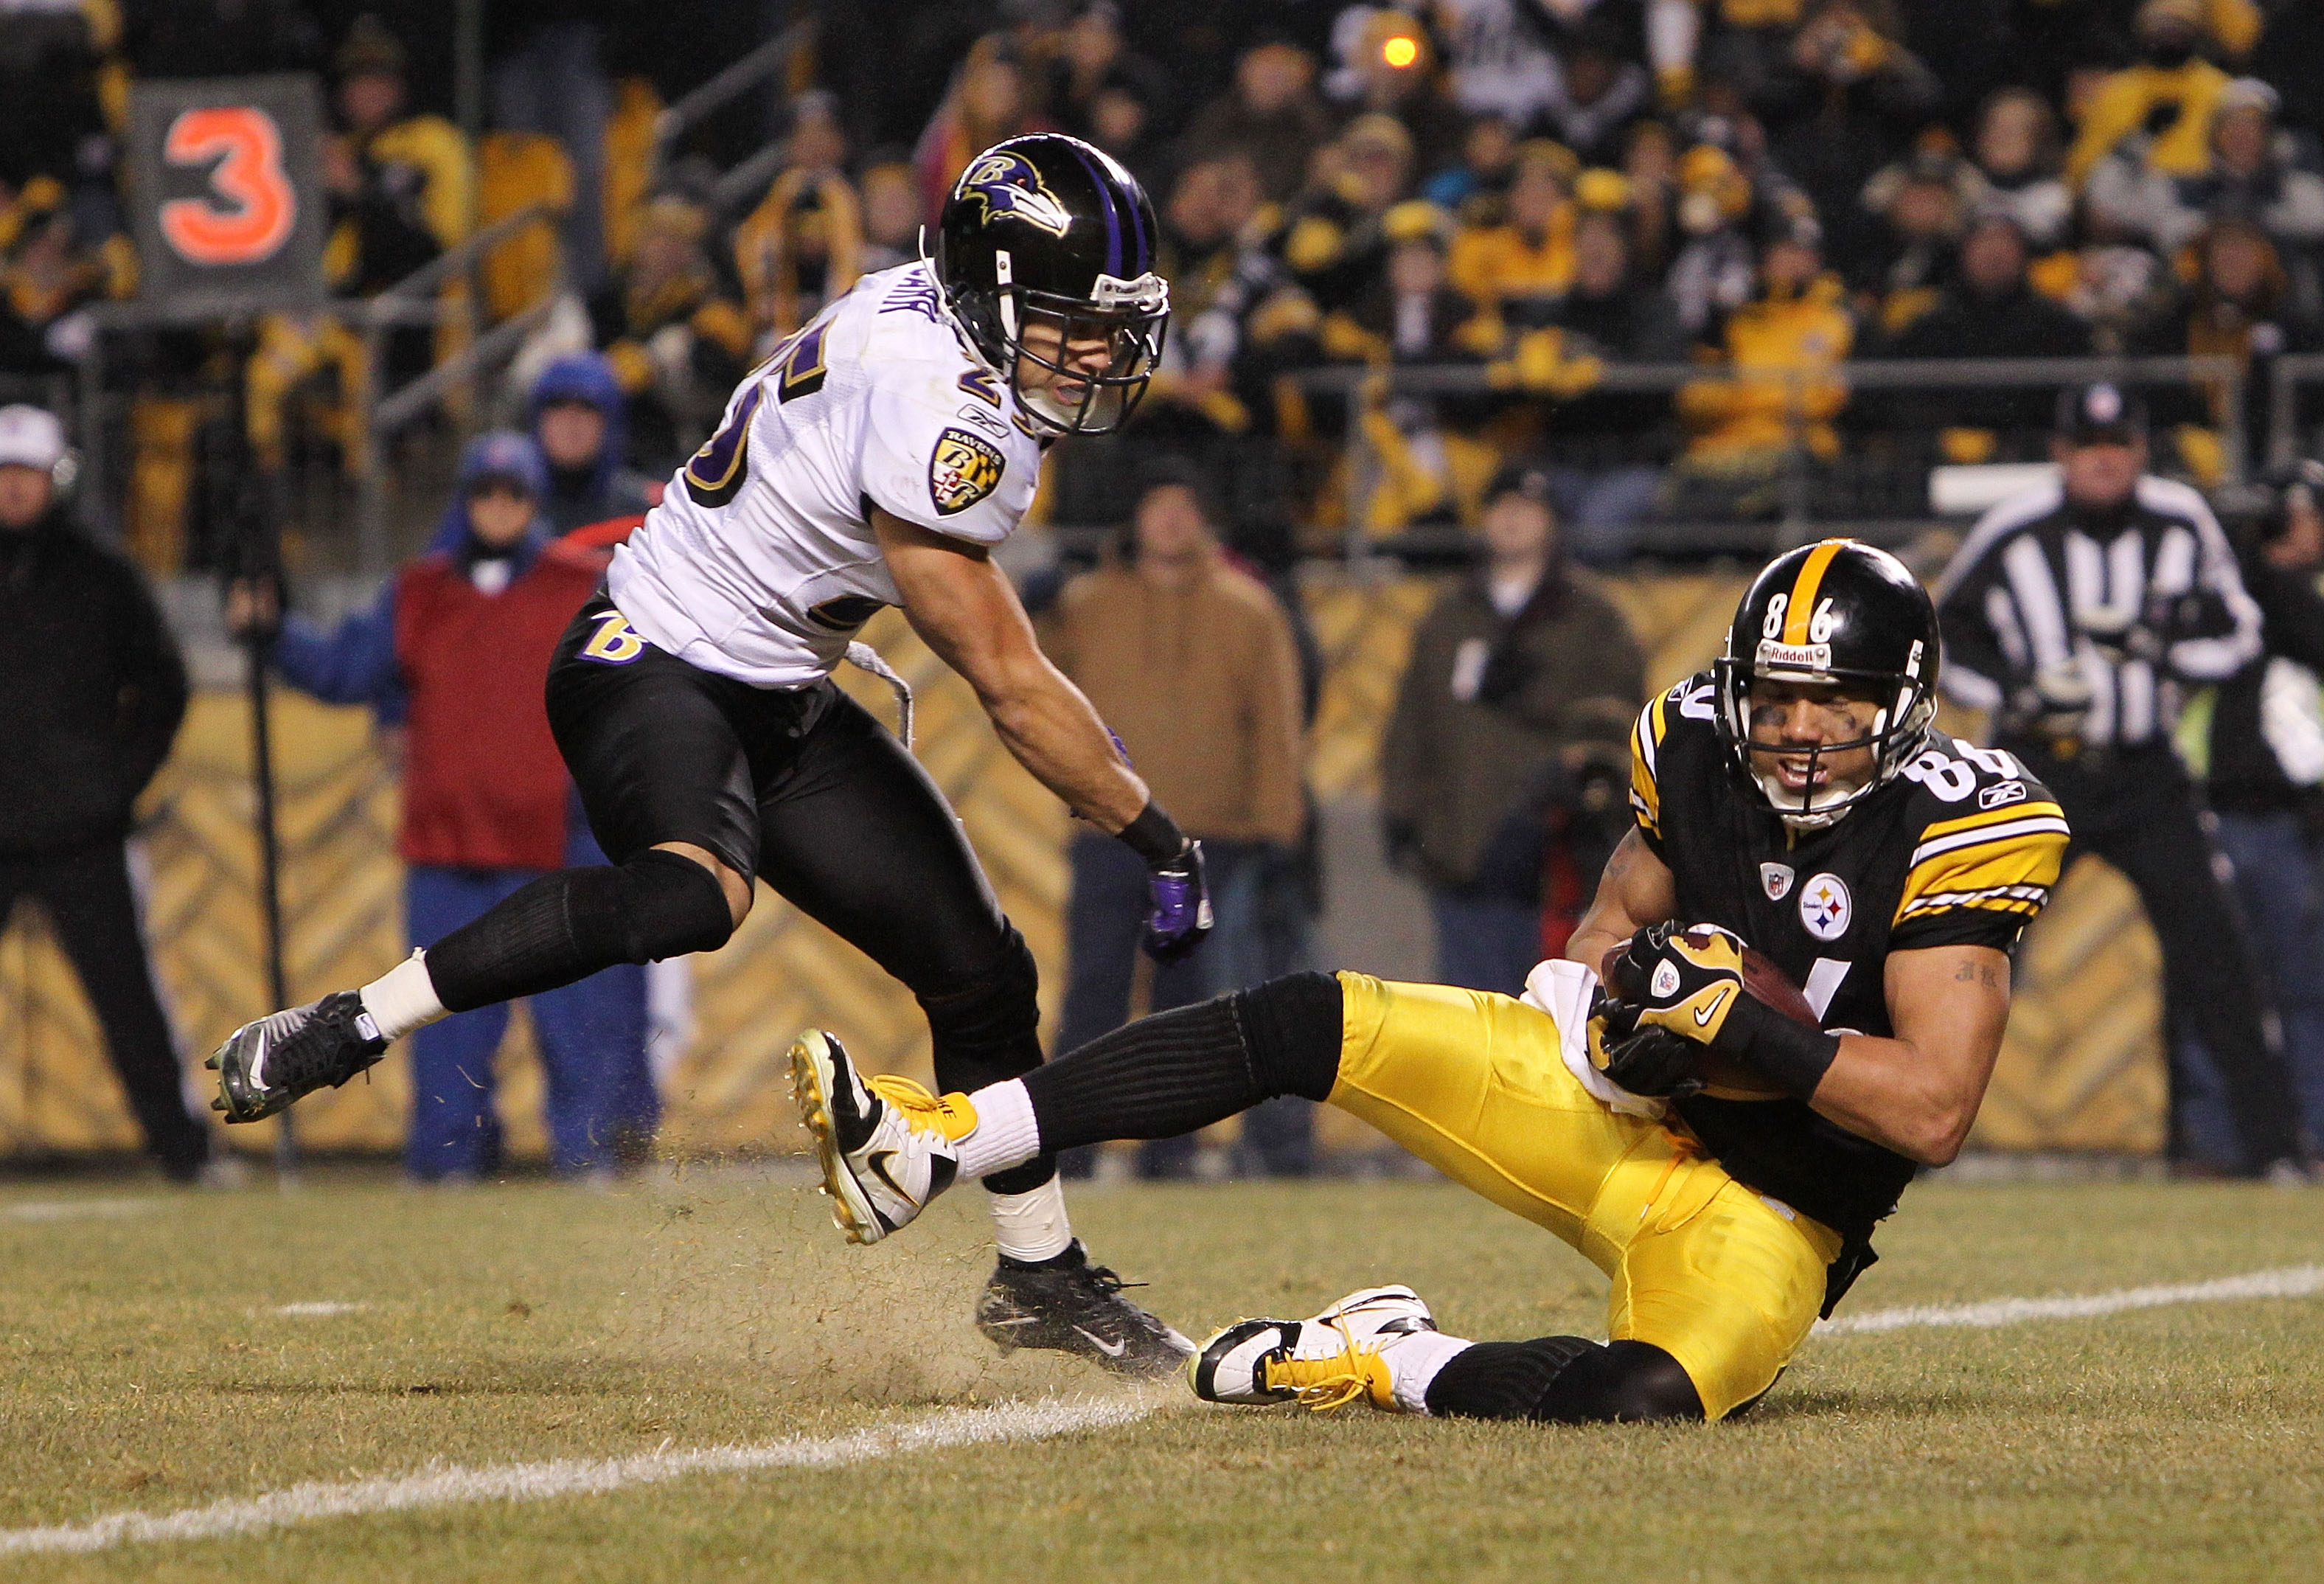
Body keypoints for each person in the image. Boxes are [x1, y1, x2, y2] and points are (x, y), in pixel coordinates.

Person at [206, 134, 1203, 1377]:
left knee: (981, 973)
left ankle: (1041, 1273)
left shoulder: (928, 322)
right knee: (692, 893)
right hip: (650, 655)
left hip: (774, 683)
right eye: (1068, 321)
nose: (1099, 354)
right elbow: (1005, 683)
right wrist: (1154, 830)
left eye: (1112, 324)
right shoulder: (946, 412)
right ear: (987, 296)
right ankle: (353, 1020)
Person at [790, 540, 2070, 1425]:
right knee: (1312, 1016)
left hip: (1776, 1205)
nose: (1795, 732)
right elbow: (1606, 931)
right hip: (1619, 1114)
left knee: (1647, 1399)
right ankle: (940, 1134)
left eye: (1832, 704)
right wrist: (1618, 1000)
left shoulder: (1965, 822)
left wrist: (1746, 1028)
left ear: (1900, 708)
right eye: (1776, 699)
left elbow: (1932, 1111)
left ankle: (1381, 1353)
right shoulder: (1691, 745)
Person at [235, 434, 655, 1182]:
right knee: (440, 1034)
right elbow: (346, 669)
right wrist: (274, 633)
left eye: (513, 493)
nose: (499, 507)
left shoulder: (579, 586)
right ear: (465, 501)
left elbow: (637, 676)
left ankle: (588, 1162)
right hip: (447, 852)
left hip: (550, 849)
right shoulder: (418, 593)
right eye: (485, 492)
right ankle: (446, 1169)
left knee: (578, 1030)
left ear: (532, 503)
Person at [1932, 382, 2304, 1179]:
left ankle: (2271, 1151)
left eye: (2118, 445)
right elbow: (1944, 632)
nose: (2103, 460)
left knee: (2218, 957)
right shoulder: (2014, 529)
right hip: (2036, 775)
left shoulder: (2179, 520)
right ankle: (1908, 1140)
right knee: (1969, 948)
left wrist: (2159, 650)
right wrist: (2019, 690)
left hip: (2145, 771)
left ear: (2138, 450)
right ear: (2060, 453)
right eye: (2086, 446)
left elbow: (2236, 633)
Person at [1041, 462, 1307, 1178]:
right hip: (1108, 830)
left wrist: (1277, 827)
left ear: (1204, 521)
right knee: (1090, 995)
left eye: (1184, 508)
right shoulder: (1085, 603)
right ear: (1134, 520)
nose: (1170, 521)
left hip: (1203, 839)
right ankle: (1067, 1150)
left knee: (1184, 1007)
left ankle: (1173, 1154)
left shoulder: (1247, 609)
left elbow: (1275, 725)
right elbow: (1034, 688)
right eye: (1157, 507)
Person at [0, 406, 215, 1184]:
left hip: (80, 833)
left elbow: (163, 686)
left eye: (24, 474)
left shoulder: (102, 575)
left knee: (129, 1000)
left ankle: (182, 1151)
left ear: (54, 478)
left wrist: (112, 785)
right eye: (3, 474)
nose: (13, 489)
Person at [1382, 465, 1643, 996]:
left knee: (1556, 1006)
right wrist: (1401, 809)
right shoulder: (1449, 615)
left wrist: (1537, 698)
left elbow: (1620, 722)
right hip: (1461, 842)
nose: (1511, 519)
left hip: (1558, 852)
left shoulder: (1592, 617)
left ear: (1550, 523)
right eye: (1500, 507)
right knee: (1468, 1005)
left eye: (1527, 509)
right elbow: (1414, 720)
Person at [2190, 460, 2324, 1155]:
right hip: (2222, 811)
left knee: (2299, 990)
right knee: (2218, 991)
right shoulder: (2230, 593)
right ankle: (2224, 1146)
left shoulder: (2281, 596)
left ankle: (2303, 1138)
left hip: (2284, 820)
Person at [526, 355, 655, 537]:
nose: (570, 421)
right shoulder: (506, 501)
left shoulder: (644, 513)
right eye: (558, 405)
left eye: (586, 407)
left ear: (611, 423)